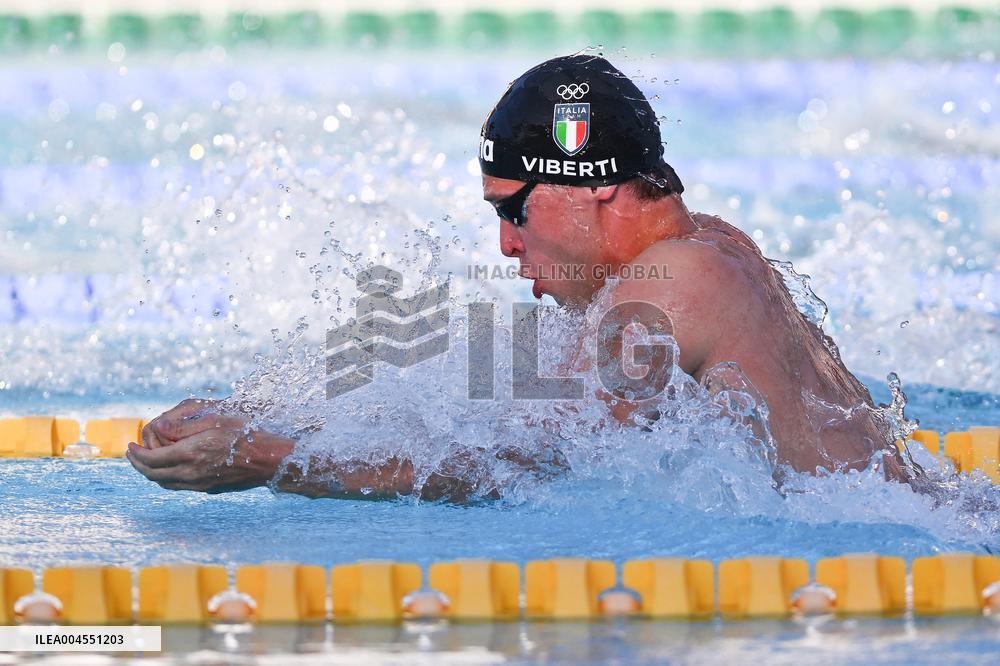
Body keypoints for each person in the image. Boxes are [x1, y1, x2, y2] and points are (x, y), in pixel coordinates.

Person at [127, 55, 915, 500]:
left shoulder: (668, 289)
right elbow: (503, 413)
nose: (507, 247)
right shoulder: (709, 245)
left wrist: (267, 457)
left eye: (514, 211)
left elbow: (515, 470)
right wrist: (265, 415)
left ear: (591, 184)